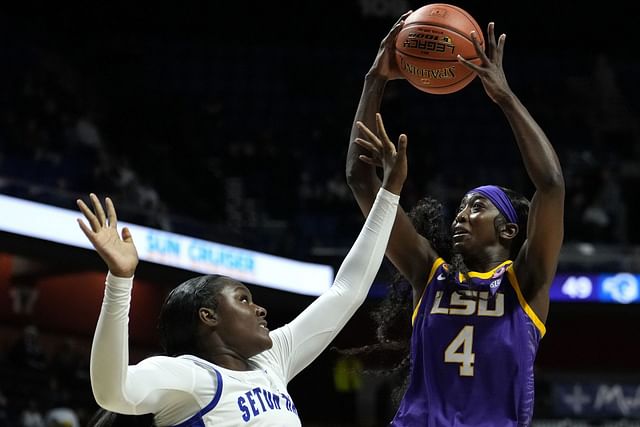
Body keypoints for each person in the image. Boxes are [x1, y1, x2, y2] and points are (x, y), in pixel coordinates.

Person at [77, 119, 407, 427]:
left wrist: (390, 192)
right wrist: (120, 280)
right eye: (243, 299)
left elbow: (347, 290)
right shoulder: (191, 376)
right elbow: (112, 392)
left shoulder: (272, 361)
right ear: (208, 316)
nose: (260, 308)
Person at [346, 13, 565, 427]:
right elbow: (360, 179)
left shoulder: (525, 283)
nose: (461, 215)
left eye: (478, 207)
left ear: (509, 230)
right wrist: (374, 81)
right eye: (462, 206)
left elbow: (551, 185)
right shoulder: (429, 275)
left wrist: (504, 97)